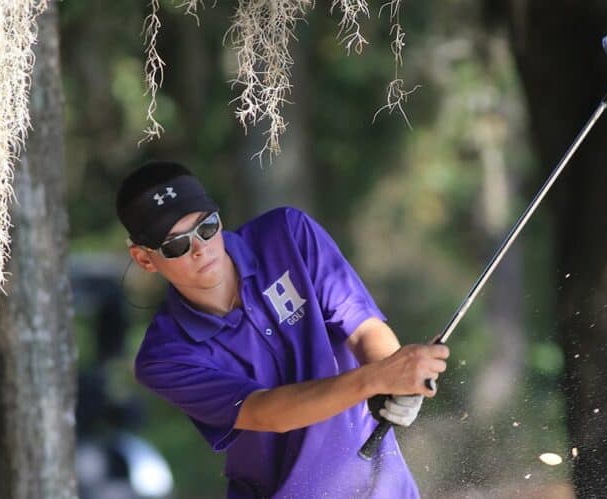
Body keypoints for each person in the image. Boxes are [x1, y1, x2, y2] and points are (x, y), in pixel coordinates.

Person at [116, 161, 450, 498]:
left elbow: (364, 329)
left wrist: (395, 378)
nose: (201, 248)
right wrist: (377, 378)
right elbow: (267, 413)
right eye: (176, 245)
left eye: (207, 226)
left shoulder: (287, 232)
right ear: (144, 259)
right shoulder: (164, 357)